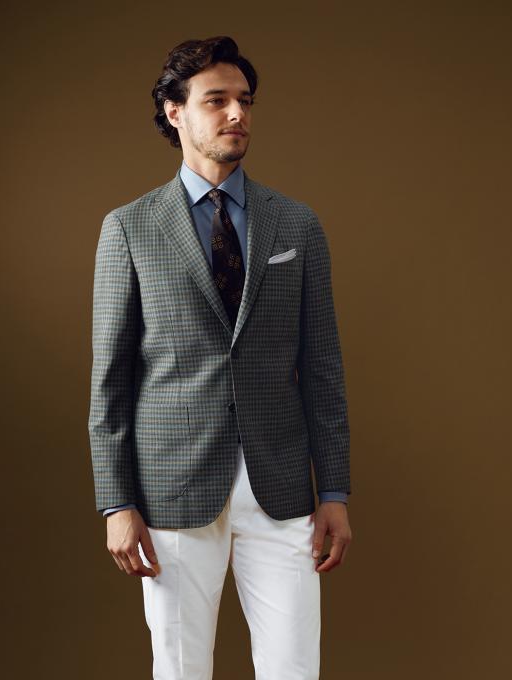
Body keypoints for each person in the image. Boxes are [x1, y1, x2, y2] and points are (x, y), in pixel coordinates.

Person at [87, 35, 352, 680]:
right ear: (175, 111)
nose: (237, 113)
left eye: (245, 101)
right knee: (180, 669)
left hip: (281, 486)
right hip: (172, 489)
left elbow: (322, 369)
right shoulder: (129, 229)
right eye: (216, 100)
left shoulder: (296, 225)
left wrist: (335, 489)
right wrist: (116, 503)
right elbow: (111, 380)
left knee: (294, 669)